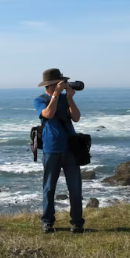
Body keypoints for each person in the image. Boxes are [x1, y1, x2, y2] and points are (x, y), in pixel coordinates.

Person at [34, 68, 85, 233]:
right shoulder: (40, 99)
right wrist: (55, 95)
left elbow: (76, 117)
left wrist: (69, 98)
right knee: (49, 188)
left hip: (71, 149)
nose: (62, 84)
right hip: (51, 149)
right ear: (51, 84)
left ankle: (77, 222)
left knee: (75, 187)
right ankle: (47, 222)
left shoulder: (65, 98)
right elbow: (48, 114)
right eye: (59, 82)